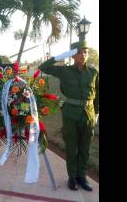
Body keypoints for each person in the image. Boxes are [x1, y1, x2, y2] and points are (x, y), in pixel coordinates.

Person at [39, 41, 99, 192]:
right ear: (73, 55)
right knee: (72, 147)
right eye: (79, 52)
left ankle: (82, 177)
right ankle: (72, 177)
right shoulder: (65, 71)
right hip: (71, 113)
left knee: (85, 147)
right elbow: (43, 67)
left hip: (89, 114)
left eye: (85, 52)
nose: (83, 55)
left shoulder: (94, 72)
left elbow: (97, 96)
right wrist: (60, 56)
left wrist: (96, 113)